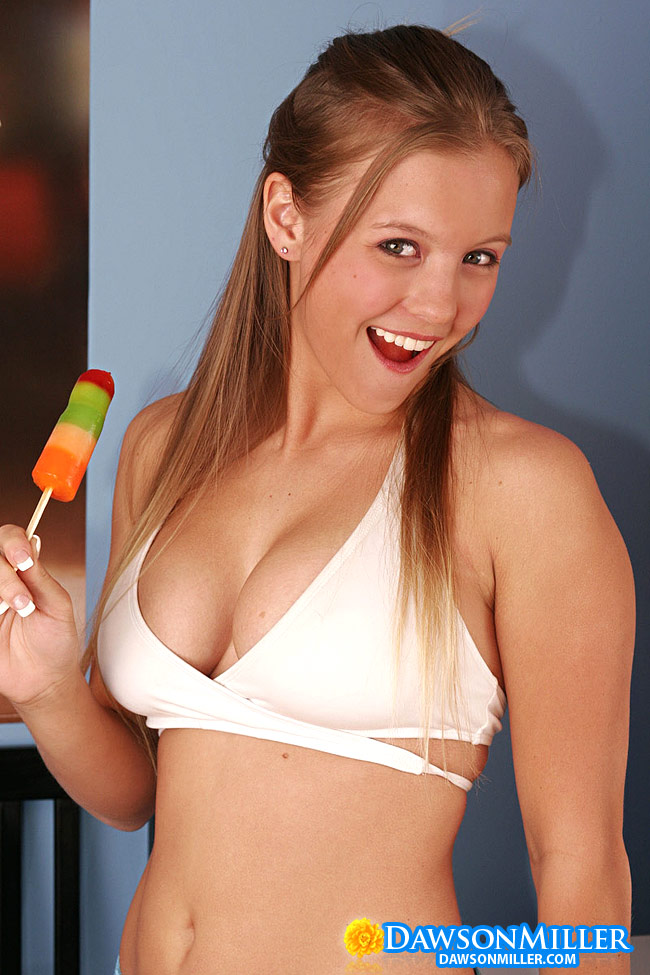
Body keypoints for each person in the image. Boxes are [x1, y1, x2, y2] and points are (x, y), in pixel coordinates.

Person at [0, 23, 634, 975]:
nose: (439, 306)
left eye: (480, 257)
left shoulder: (524, 488)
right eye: (399, 245)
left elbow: (580, 869)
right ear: (285, 217)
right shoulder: (163, 445)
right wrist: (47, 688)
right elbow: (135, 794)